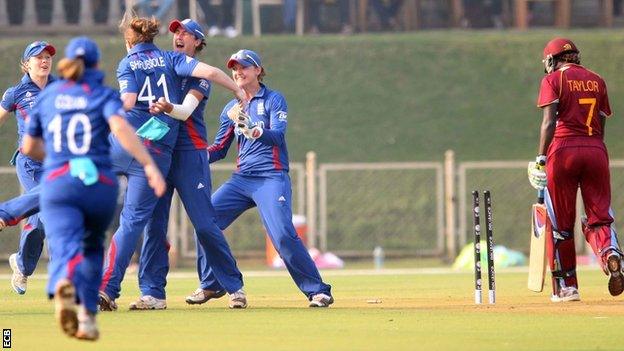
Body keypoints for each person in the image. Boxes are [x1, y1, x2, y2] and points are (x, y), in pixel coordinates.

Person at [97, 15, 247, 311]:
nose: (178, 35)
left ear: (198, 42)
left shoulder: (195, 73)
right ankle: (153, 292)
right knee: (154, 225)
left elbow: (186, 110)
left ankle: (233, 286)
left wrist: (169, 106)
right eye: (176, 31)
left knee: (204, 224)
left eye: (186, 33)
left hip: (189, 154)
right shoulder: (165, 62)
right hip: (158, 151)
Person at [21, 36, 166, 341]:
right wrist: (148, 164)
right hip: (96, 182)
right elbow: (121, 129)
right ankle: (86, 316)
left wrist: (61, 160)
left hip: (60, 181)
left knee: (62, 242)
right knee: (91, 247)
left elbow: (29, 146)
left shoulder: (49, 95)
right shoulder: (102, 94)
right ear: (97, 64)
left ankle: (62, 282)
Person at [186, 49, 334, 307]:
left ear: (257, 70)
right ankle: (212, 284)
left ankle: (318, 291)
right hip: (242, 179)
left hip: (271, 177)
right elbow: (220, 148)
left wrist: (255, 130)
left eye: (244, 67)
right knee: (205, 222)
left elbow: (277, 136)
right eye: (234, 68)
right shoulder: (231, 108)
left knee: (283, 234)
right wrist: (193, 157)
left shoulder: (274, 100)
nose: (238, 72)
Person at [528, 37, 624, 303]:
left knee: (560, 223)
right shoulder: (597, 80)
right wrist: (594, 150)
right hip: (596, 150)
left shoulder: (552, 81)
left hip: (562, 150)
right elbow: (602, 122)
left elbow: (548, 123)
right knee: (599, 217)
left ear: (551, 60)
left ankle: (567, 287)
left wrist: (540, 157)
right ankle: (609, 252)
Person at [0, 40, 56, 295]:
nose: (44, 61)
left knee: (48, 219)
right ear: (26, 63)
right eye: (38, 57)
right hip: (31, 164)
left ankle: (23, 264)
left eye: (47, 57)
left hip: (57, 164)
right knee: (46, 215)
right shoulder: (16, 93)